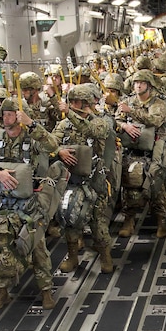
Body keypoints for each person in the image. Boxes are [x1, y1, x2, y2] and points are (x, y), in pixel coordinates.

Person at [0, 98, 61, 310]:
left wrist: (31, 124)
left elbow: (53, 146)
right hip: (2, 202)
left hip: (29, 203)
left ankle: (46, 290)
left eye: (11, 113)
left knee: (36, 245)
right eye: (4, 114)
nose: (6, 117)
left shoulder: (34, 137)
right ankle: (2, 291)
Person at [53, 83, 118, 273]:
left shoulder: (100, 121)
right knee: (69, 219)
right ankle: (73, 257)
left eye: (77, 102)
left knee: (98, 222)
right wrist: (60, 151)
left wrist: (70, 113)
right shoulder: (64, 125)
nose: (73, 104)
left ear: (87, 103)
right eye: (71, 101)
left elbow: (93, 131)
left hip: (94, 180)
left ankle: (106, 257)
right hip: (71, 180)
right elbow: (52, 142)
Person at [116, 69, 166, 238]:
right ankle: (129, 219)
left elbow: (154, 120)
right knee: (128, 181)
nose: (138, 85)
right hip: (133, 148)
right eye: (135, 83)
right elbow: (117, 119)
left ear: (148, 85)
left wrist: (131, 112)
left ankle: (161, 221)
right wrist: (125, 126)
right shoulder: (127, 101)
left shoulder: (158, 103)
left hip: (156, 147)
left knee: (155, 182)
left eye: (141, 83)